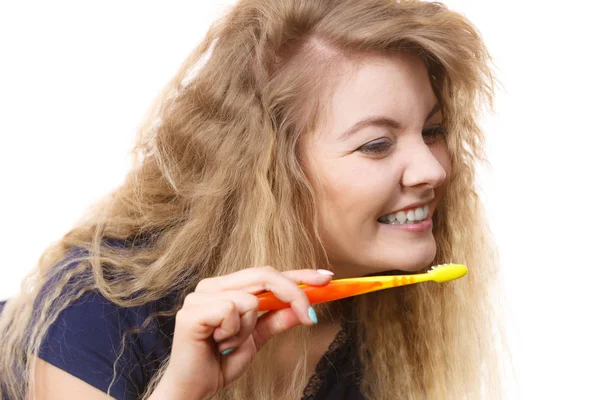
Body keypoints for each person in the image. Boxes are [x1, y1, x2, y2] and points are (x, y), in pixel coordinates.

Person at [0, 0, 510, 398]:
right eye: (376, 144)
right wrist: (182, 391)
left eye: (434, 129)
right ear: (269, 169)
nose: (433, 169)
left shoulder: (375, 323)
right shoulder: (101, 307)